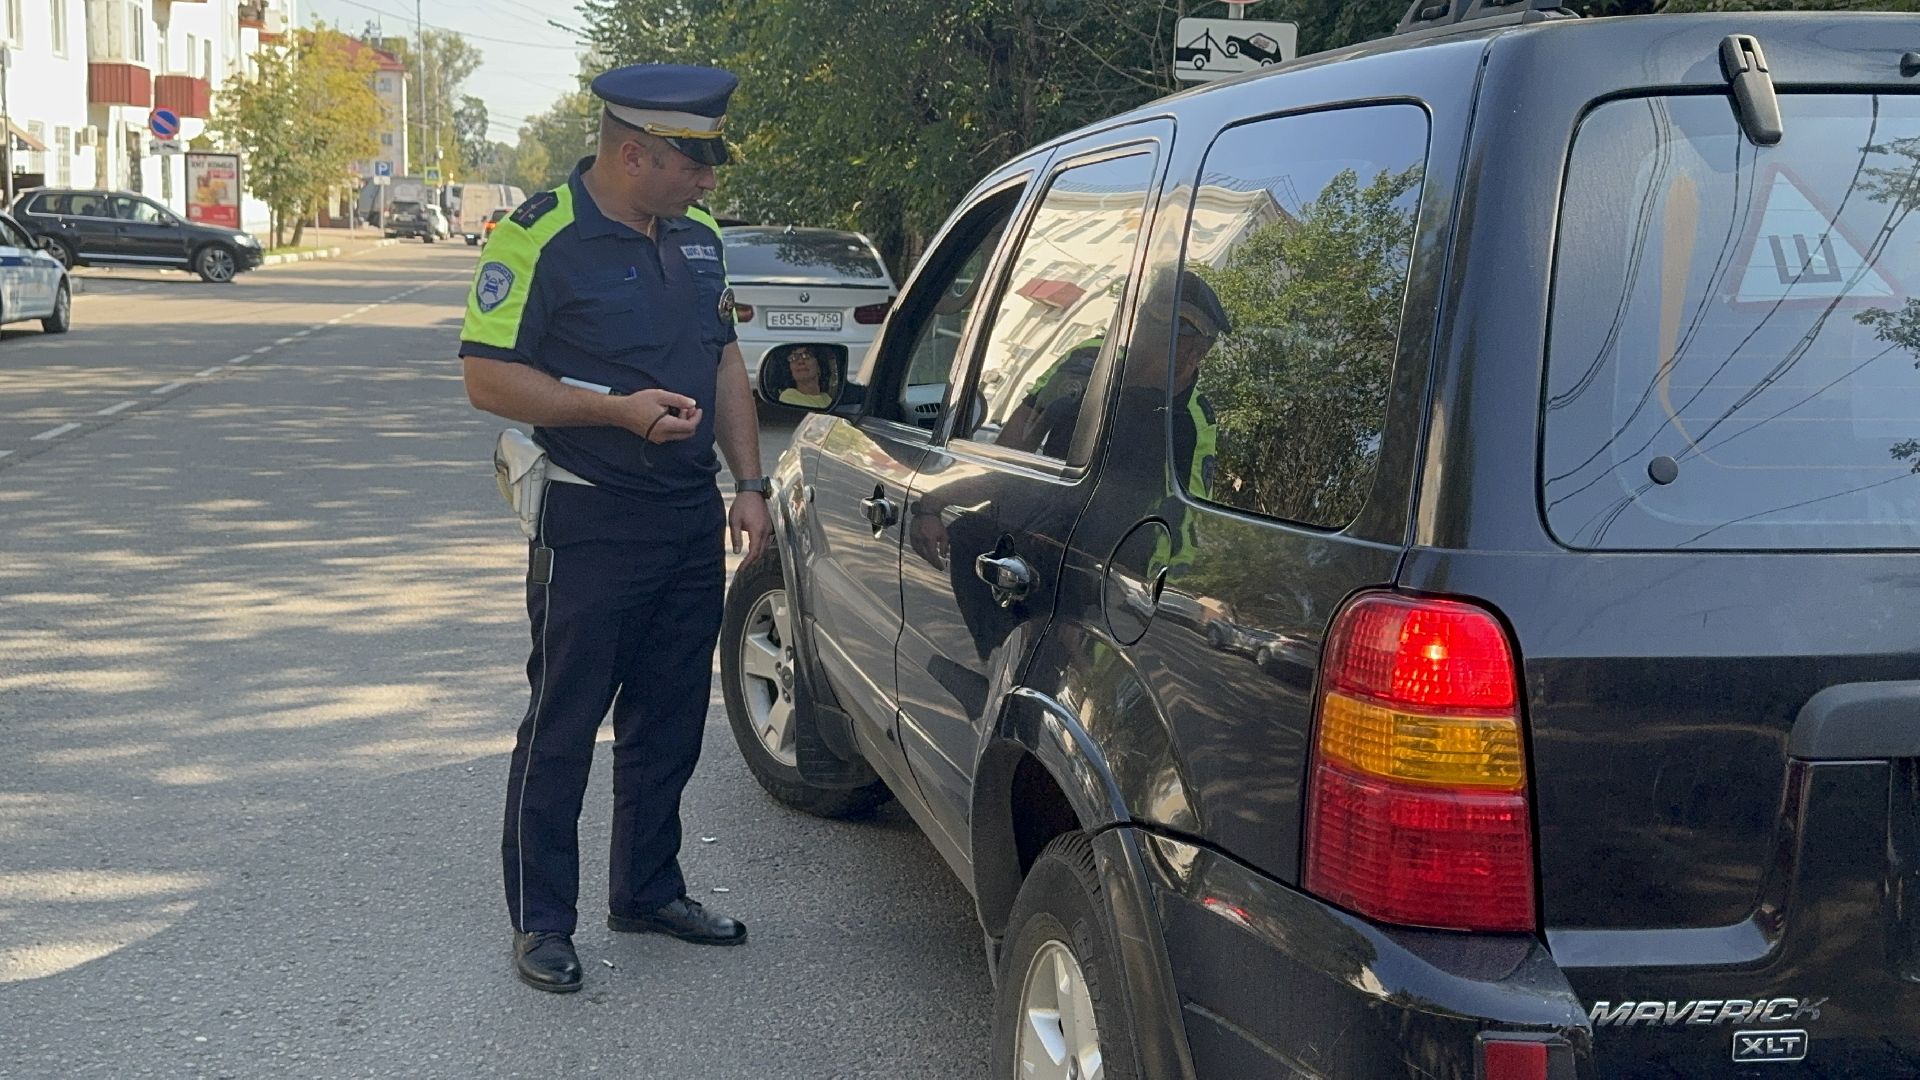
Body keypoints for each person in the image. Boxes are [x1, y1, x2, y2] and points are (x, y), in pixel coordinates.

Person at [457, 63, 773, 995]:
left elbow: (724, 362)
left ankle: (645, 889)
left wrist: (748, 480)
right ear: (634, 153)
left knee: (669, 720)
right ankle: (542, 921)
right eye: (693, 163)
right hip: (588, 514)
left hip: (684, 517)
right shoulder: (538, 237)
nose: (708, 181)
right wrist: (618, 411)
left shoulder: (701, 236)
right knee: (563, 724)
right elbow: (487, 377)